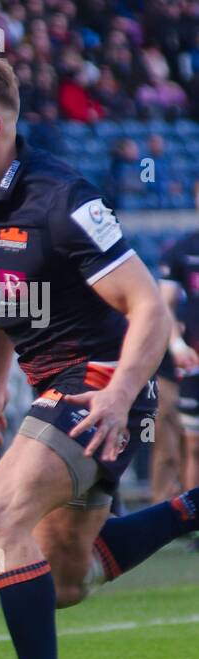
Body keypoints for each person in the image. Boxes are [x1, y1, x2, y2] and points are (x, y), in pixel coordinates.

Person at [0, 52, 196, 659]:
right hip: (52, 386)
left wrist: (119, 398)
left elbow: (149, 309)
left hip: (101, 384)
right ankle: (193, 507)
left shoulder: (64, 199)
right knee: (66, 581)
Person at [158, 183, 199, 496]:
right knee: (191, 445)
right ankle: (192, 522)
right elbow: (163, 305)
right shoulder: (182, 249)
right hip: (192, 363)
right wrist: (176, 344)